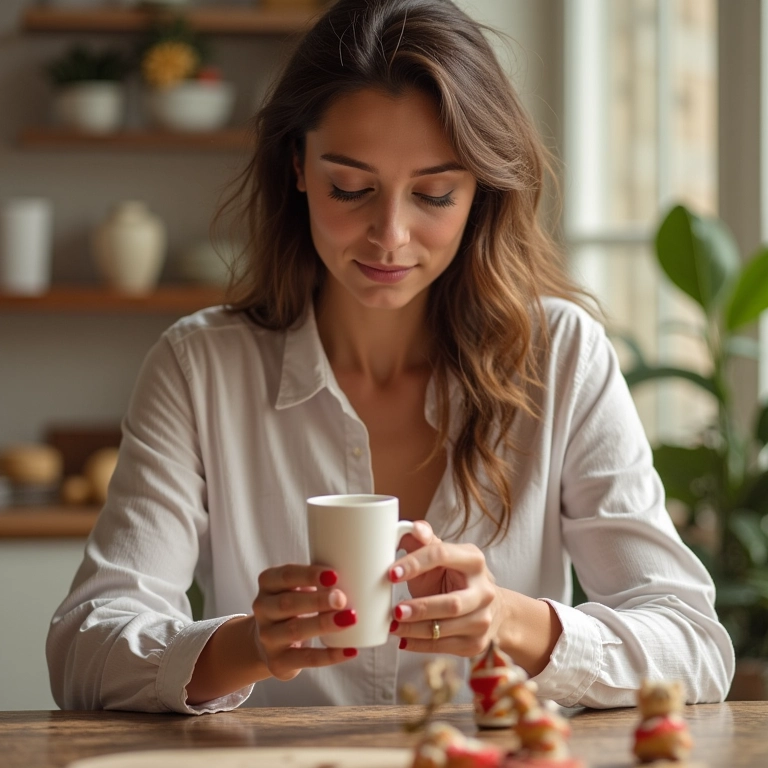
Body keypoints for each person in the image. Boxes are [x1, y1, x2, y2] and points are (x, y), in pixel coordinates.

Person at [47, 0, 734, 714]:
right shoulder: (200, 368)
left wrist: (511, 621)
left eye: (435, 194)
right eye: (351, 188)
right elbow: (83, 652)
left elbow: (695, 647)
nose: (391, 237)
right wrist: (249, 645)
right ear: (298, 169)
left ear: (479, 195)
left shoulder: (561, 356)